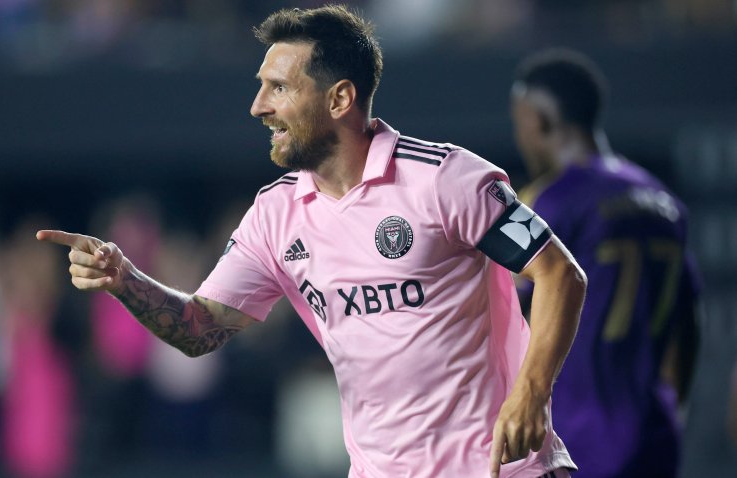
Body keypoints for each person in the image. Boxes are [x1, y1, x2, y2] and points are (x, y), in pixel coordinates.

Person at [38, 6, 587, 477]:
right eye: (260, 87)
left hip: (499, 468)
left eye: (278, 87)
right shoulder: (275, 215)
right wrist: (125, 280)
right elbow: (199, 329)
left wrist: (531, 393)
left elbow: (561, 274)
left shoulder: (445, 179)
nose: (258, 106)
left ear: (340, 98)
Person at [510, 48, 701, 478]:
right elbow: (688, 322)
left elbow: (506, 310)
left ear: (537, 120)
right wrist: (673, 407)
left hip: (578, 436)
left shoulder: (550, 200)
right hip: (655, 434)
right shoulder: (663, 201)